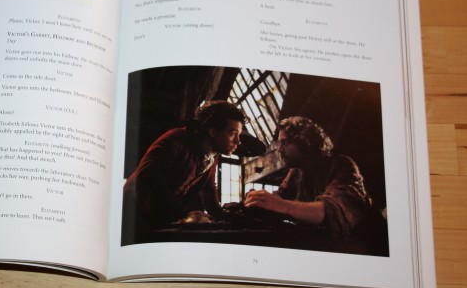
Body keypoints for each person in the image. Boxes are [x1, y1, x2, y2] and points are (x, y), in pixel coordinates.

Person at [121, 100, 247, 244]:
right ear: (212, 131)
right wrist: (183, 214)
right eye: (232, 134)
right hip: (131, 213)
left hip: (156, 217)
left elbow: (208, 191)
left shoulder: (212, 155)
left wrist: (225, 220)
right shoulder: (177, 138)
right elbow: (150, 175)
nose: (238, 142)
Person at [244, 116, 382, 242]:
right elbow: (281, 196)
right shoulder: (297, 171)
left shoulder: (343, 165)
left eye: (284, 142)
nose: (279, 150)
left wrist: (280, 205)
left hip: (368, 245)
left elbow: (332, 212)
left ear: (305, 142)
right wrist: (260, 201)